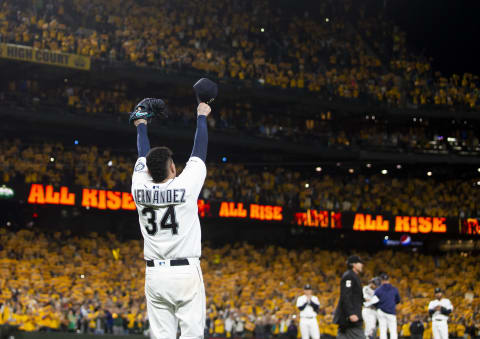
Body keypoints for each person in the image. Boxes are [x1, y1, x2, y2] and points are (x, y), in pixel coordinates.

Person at [131, 98, 211, 339]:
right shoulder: (186, 186)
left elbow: (143, 154)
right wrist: (202, 115)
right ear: (173, 169)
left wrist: (141, 123)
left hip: (155, 274)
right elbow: (199, 152)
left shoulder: (138, 186)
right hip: (185, 270)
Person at [333, 255, 365, 339]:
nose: (361, 265)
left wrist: (364, 300)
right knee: (359, 336)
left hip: (347, 317)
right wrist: (351, 313)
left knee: (343, 335)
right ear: (353, 264)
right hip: (350, 316)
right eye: (359, 263)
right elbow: (346, 295)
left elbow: (354, 295)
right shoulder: (349, 276)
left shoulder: (353, 276)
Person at [373, 274, 400, 339]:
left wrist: (378, 306)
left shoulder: (378, 290)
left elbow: (374, 302)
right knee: (393, 330)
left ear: (381, 280)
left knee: (382, 330)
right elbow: (398, 300)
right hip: (391, 311)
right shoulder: (394, 289)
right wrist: (391, 304)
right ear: (389, 280)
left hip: (381, 311)